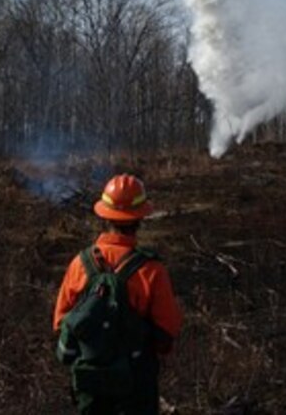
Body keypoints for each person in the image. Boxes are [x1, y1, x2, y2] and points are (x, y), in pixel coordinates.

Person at [53, 173, 183, 415]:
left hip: (90, 387)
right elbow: (166, 334)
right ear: (140, 218)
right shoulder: (152, 270)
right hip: (136, 388)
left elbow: (61, 324)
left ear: (104, 215)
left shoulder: (79, 264)